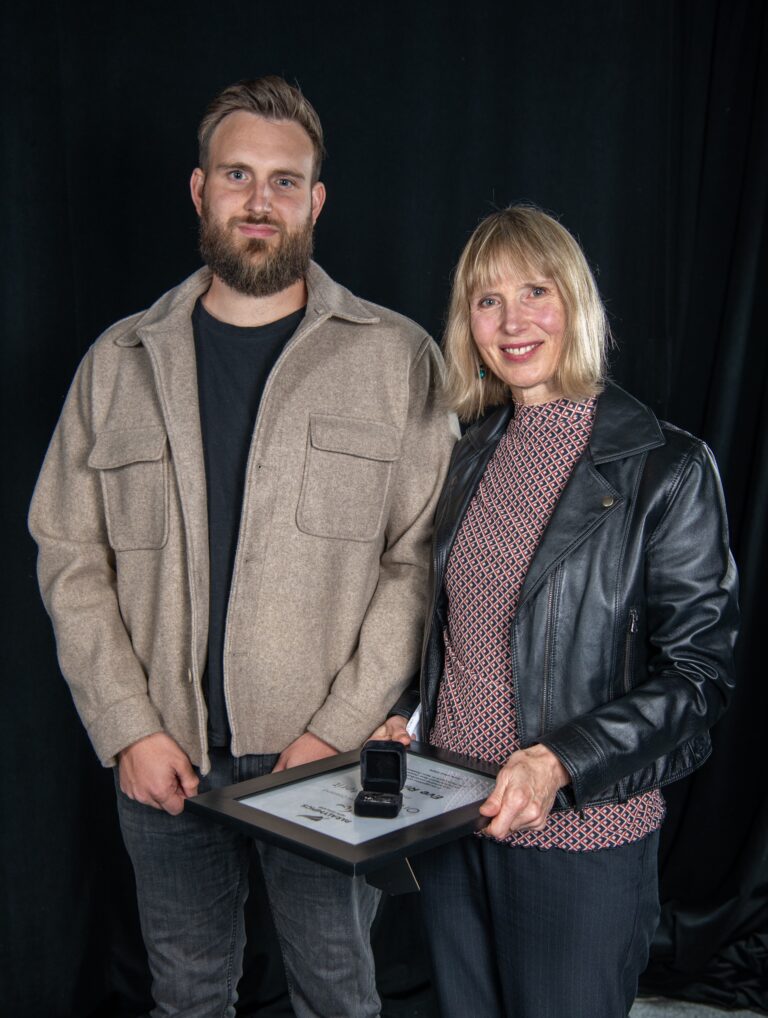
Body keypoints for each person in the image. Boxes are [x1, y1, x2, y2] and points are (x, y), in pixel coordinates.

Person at [28, 76, 456, 1018]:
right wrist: (127, 725)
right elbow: (68, 551)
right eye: (237, 175)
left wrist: (335, 734)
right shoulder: (118, 363)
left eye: (284, 181)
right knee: (185, 994)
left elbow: (420, 561)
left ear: (316, 201)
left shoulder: (397, 359)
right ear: (199, 190)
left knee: (338, 994)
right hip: (162, 758)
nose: (259, 201)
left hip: (323, 761)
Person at [375, 206, 738, 1018]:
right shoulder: (468, 452)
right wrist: (406, 714)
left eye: (535, 291)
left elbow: (699, 676)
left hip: (583, 836)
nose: (513, 322)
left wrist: (559, 761)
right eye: (487, 299)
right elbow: (459, 628)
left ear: (574, 301)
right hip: (453, 819)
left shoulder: (666, 467)